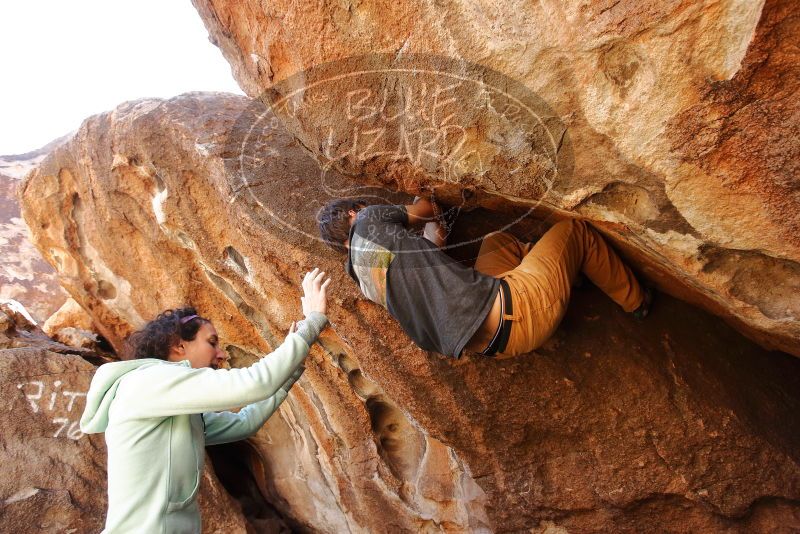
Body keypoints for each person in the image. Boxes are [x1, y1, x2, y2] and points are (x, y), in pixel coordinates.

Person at [80, 268, 331, 533]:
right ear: (179, 347)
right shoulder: (147, 383)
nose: (221, 354)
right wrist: (312, 322)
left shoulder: (172, 408)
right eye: (212, 342)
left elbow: (245, 423)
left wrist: (290, 370)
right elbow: (255, 383)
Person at [316, 197, 651, 359]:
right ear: (352, 213)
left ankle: (568, 269)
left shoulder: (361, 276)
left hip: (493, 345)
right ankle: (637, 303)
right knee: (575, 231)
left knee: (497, 241)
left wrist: (435, 233)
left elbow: (431, 252)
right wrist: (426, 201)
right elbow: (424, 208)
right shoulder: (368, 221)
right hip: (520, 308)